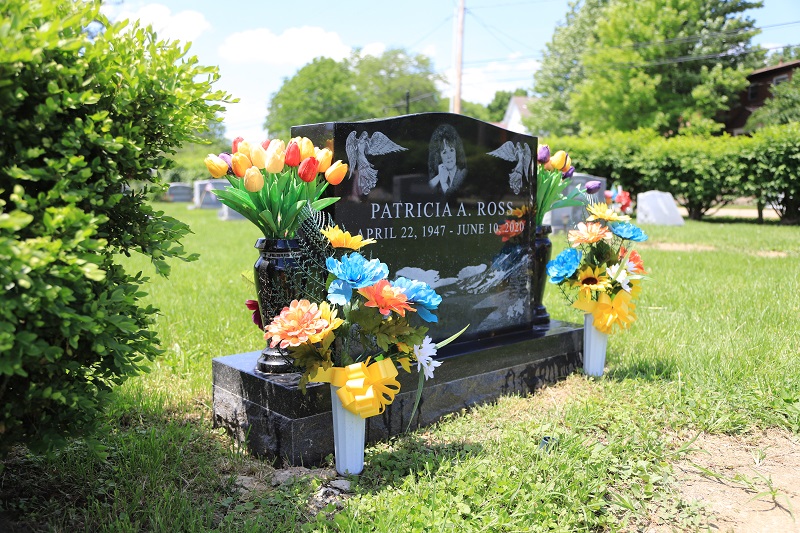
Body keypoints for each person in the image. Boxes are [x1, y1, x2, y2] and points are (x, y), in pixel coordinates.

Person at [428, 124, 467, 194]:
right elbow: (425, 190)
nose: (449, 156)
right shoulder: (441, 175)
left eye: (451, 150)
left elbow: (452, 197)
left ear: (456, 152)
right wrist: (439, 176)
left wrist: (443, 184)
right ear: (439, 156)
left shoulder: (462, 174)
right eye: (444, 152)